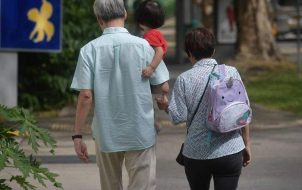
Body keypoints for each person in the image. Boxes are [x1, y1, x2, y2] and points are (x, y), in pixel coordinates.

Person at [70, 0, 170, 189]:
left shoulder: (88, 50)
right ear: (124, 14)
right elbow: (163, 86)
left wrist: (77, 135)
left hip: (106, 132)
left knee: (110, 185)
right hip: (140, 130)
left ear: (99, 19)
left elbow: (85, 96)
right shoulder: (143, 46)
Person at [156, 28, 251, 190]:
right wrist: (246, 144)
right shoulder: (230, 72)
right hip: (230, 149)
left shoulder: (184, 79)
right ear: (213, 50)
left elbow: (178, 116)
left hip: (196, 154)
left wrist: (166, 107)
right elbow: (242, 110)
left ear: (189, 53)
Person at [135, 0, 167, 78]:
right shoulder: (155, 32)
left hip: (155, 66)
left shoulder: (150, 35)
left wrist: (151, 68)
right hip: (158, 65)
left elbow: (159, 51)